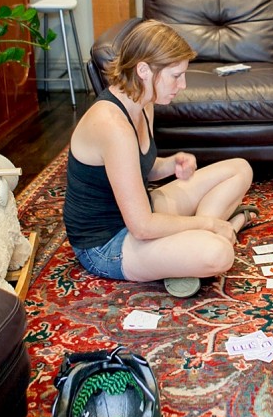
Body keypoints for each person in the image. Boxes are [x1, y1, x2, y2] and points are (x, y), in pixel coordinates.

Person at [62, 20, 258, 298]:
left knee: (240, 168)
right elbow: (141, 227)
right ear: (143, 70)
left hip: (142, 211)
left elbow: (143, 170)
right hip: (108, 244)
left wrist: (170, 163)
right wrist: (209, 224)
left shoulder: (143, 102)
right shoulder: (112, 126)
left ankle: (191, 247)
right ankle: (216, 232)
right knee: (219, 254)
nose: (183, 84)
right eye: (176, 75)